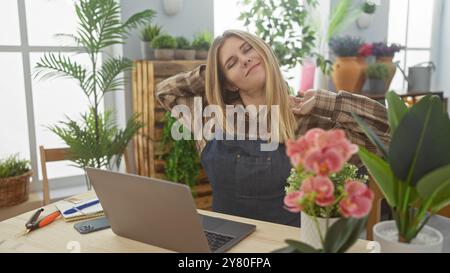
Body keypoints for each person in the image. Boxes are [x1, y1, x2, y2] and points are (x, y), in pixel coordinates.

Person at [156, 30, 390, 227]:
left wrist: (324, 102)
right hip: (225, 244)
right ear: (228, 82)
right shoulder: (213, 119)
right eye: (232, 63)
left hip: (288, 246)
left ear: (264, 52)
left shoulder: (306, 120)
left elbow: (384, 134)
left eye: (248, 50)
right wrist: (212, 73)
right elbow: (165, 92)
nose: (245, 60)